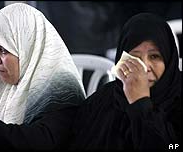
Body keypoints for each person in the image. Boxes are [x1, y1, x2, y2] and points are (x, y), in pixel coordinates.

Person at [0, 3, 86, 150]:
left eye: (3, 50)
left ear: (27, 48)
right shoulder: (6, 79)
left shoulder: (62, 88)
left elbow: (42, 141)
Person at [69, 13, 181, 150]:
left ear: (169, 61)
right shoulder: (106, 98)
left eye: (154, 56)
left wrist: (140, 103)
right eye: (134, 57)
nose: (144, 67)